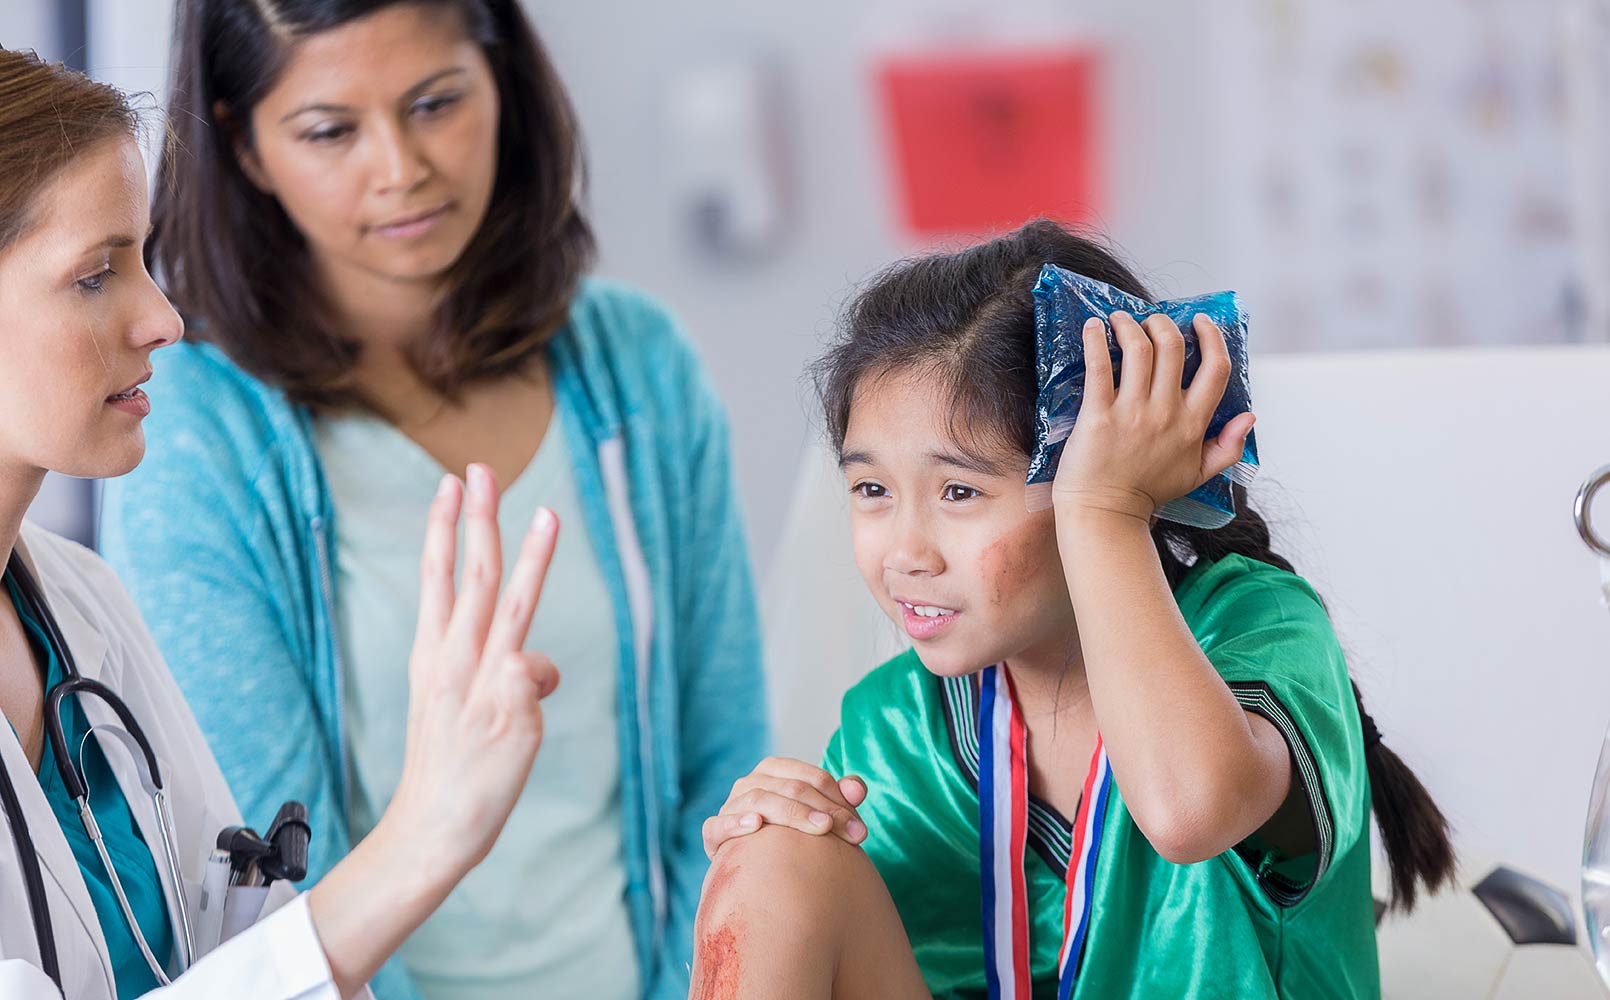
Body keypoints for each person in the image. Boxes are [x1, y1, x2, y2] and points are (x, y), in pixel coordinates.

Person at [98, 2, 767, 998]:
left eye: (435, 102)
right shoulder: (195, 428)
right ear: (243, 146)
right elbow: (268, 874)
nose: (400, 167)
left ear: (502, 79)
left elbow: (724, 772)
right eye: (330, 130)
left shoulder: (639, 368)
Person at [689, 220, 1455, 999]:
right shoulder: (893, 727)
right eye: (872, 490)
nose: (905, 553)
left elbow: (1188, 812)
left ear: (1109, 466)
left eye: (959, 492)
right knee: (773, 858)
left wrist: (1105, 511)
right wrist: (762, 850)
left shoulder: (1256, 629)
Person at [0, 46, 566, 999]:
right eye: (97, 275)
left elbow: (239, 948)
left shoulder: (83, 603)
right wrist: (421, 839)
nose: (165, 318)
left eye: (143, 258)